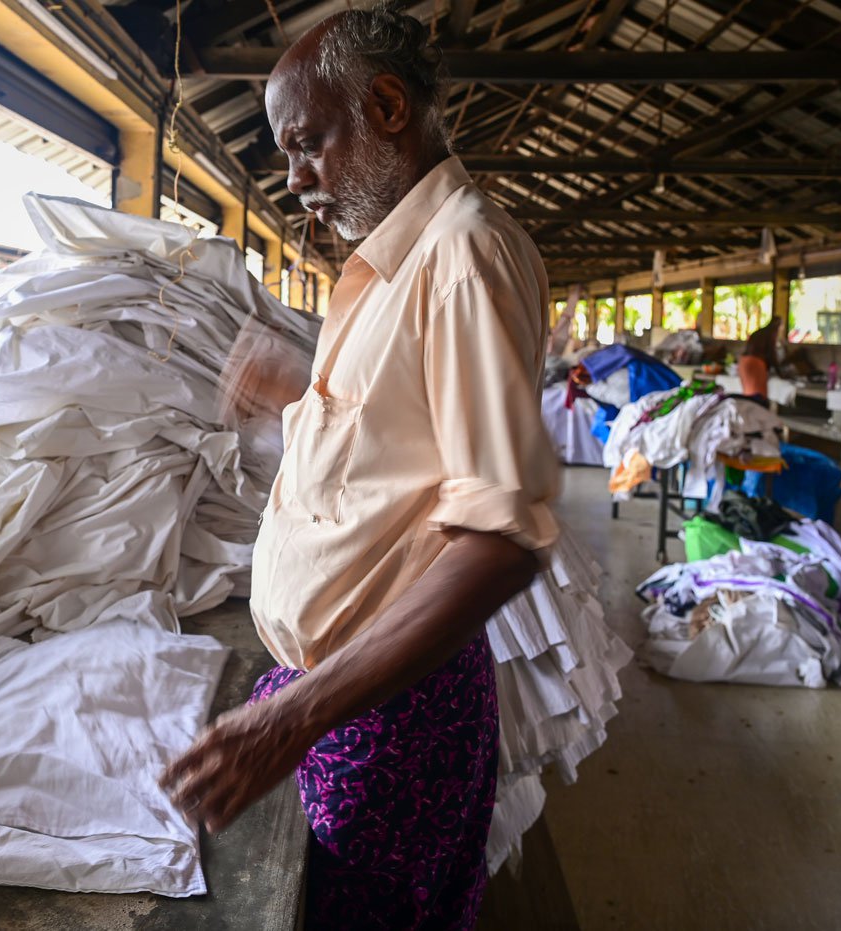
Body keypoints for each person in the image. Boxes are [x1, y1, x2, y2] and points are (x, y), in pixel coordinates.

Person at [160, 6, 557, 927]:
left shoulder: (462, 258)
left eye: (306, 145)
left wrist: (293, 719)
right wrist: (300, 394)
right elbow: (398, 452)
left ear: (385, 105)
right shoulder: (390, 271)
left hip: (390, 715)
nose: (296, 181)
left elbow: (498, 539)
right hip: (349, 698)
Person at [738, 316, 781, 400]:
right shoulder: (770, 334)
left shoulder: (760, 332)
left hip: (743, 362)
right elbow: (772, 354)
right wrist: (780, 373)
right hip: (755, 364)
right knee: (758, 397)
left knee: (748, 394)